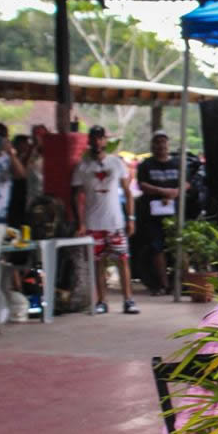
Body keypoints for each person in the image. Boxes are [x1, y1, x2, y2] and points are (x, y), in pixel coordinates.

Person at [72, 125, 139, 315]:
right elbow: (76, 196)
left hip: (115, 222)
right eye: (93, 138)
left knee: (122, 261)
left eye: (100, 138)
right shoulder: (82, 166)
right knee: (98, 263)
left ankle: (128, 300)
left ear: (105, 140)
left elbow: (128, 192)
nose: (97, 141)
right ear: (89, 141)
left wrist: (131, 218)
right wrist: (80, 222)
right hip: (93, 223)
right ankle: (102, 301)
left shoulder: (116, 162)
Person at [136, 129, 184, 296]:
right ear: (152, 145)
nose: (160, 145)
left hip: (175, 214)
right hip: (152, 215)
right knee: (157, 248)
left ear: (168, 144)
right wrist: (162, 191)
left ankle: (181, 283)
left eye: (163, 142)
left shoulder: (178, 163)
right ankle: (164, 284)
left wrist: (175, 192)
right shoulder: (146, 165)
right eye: (157, 142)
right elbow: (142, 185)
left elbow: (187, 183)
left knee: (179, 246)